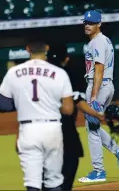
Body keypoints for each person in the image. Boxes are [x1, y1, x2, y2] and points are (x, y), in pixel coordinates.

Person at [0, 40, 74, 191]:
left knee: (32, 182)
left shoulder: (13, 72)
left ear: (27, 49)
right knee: (54, 180)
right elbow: (68, 109)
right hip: (52, 128)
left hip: (28, 129)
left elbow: (4, 105)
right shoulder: (60, 73)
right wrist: (51, 105)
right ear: (46, 48)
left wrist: (23, 103)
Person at [78, 10, 119, 183]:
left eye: (91, 23)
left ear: (99, 24)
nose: (88, 25)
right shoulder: (103, 40)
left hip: (99, 87)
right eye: (86, 22)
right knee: (92, 126)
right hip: (104, 86)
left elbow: (99, 70)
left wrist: (93, 96)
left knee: (92, 129)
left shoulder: (98, 42)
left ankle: (99, 171)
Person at [46, 45, 105, 190]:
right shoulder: (66, 75)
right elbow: (77, 101)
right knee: (69, 165)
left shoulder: (42, 76)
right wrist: (98, 115)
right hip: (64, 130)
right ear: (66, 59)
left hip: (41, 130)